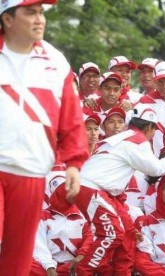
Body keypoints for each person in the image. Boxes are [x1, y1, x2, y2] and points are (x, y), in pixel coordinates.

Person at [0, 1, 89, 274]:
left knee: (17, 260)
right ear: (7, 19)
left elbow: (71, 119)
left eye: (41, 12)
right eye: (30, 12)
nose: (39, 19)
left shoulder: (56, 62)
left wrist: (74, 164)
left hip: (31, 173)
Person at [73, 104, 165, 274]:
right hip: (92, 189)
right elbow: (155, 169)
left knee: (127, 233)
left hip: (98, 190)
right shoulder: (138, 140)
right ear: (149, 127)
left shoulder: (125, 137)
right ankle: (82, 271)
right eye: (154, 130)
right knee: (113, 234)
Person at [30, 175, 92, 276]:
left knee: (99, 261)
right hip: (47, 267)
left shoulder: (83, 212)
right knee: (21, 262)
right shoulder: (42, 216)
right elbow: (39, 245)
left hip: (75, 264)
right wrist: (49, 267)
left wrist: (82, 255)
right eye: (66, 190)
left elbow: (90, 237)